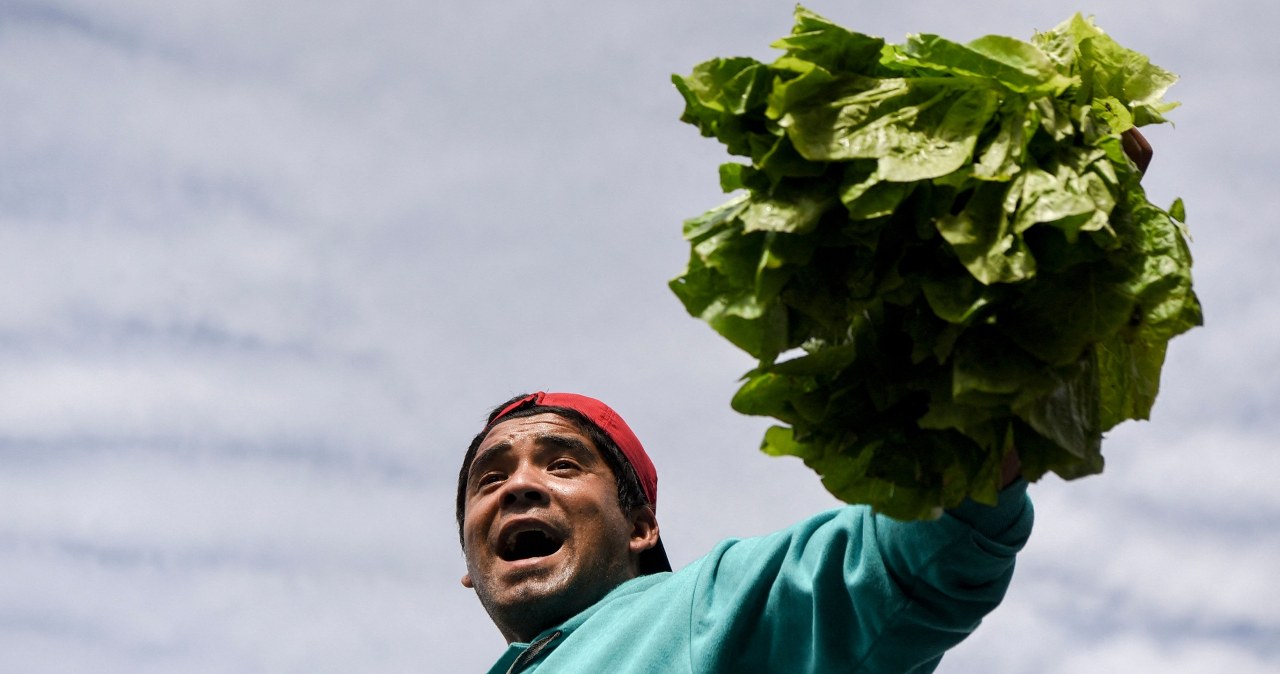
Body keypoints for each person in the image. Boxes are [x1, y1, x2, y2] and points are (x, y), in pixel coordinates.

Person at [457, 131, 1154, 673]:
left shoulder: (703, 613)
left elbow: (912, 555)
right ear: (466, 562)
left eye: (563, 464)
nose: (519, 486)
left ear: (641, 527)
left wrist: (1038, 263)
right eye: (490, 479)